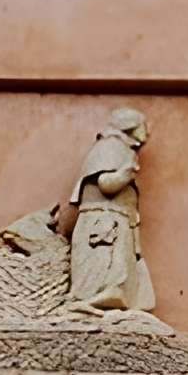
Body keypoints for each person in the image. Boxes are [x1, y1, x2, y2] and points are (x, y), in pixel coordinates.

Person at [62, 107, 158, 320]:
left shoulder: (122, 149)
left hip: (116, 219)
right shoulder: (111, 146)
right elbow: (105, 184)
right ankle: (91, 301)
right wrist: (125, 174)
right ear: (130, 126)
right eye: (142, 126)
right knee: (104, 265)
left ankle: (110, 299)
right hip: (103, 220)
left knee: (119, 266)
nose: (147, 131)